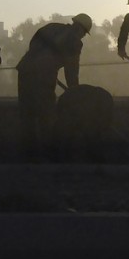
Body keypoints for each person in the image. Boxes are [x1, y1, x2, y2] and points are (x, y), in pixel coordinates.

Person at [15, 13, 91, 160]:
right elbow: (71, 71)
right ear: (81, 30)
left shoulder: (51, 27)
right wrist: (75, 93)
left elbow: (33, 45)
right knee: (46, 115)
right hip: (44, 78)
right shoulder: (75, 41)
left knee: (27, 114)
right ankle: (47, 154)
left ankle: (27, 155)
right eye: (84, 34)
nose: (83, 37)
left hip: (25, 70)